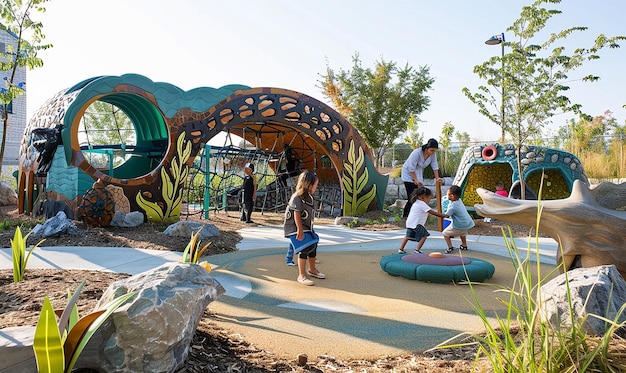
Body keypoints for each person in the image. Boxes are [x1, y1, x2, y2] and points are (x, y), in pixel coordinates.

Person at [284, 170, 325, 285]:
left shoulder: (309, 198)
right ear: (308, 185)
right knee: (304, 247)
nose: (316, 188)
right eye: (315, 185)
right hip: (294, 227)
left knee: (313, 243)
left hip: (306, 226)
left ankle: (312, 269)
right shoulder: (297, 197)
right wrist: (300, 229)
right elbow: (296, 214)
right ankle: (301, 275)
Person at [398, 187, 449, 254]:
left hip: (410, 223)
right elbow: (432, 212)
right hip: (417, 224)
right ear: (422, 197)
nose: (429, 201)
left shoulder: (416, 202)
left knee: (407, 236)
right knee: (424, 236)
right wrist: (444, 215)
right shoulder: (422, 204)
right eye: (428, 199)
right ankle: (417, 250)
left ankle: (400, 249)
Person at [401, 138, 444, 218]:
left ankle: (416, 215)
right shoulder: (417, 153)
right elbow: (411, 167)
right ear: (427, 148)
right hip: (408, 173)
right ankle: (406, 216)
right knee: (412, 197)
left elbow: (434, 166)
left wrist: (437, 178)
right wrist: (415, 180)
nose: (433, 152)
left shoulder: (433, 155)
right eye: (431, 150)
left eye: (434, 150)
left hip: (418, 173)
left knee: (419, 196)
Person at [442, 185, 475, 253]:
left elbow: (446, 216)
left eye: (448, 194)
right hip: (467, 222)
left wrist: (432, 212)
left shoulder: (453, 206)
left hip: (460, 224)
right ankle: (464, 245)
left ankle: (450, 248)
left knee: (445, 233)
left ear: (452, 196)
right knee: (462, 233)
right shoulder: (459, 200)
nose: (447, 195)